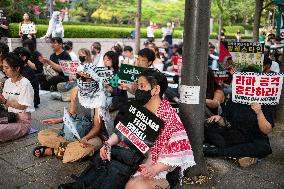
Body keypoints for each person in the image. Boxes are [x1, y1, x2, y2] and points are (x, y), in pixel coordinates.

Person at [58, 69, 195, 189]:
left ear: (156, 90)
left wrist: (154, 168)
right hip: (132, 157)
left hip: (157, 163)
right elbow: (121, 131)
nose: (138, 90)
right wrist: (108, 144)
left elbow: (176, 153)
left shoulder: (170, 118)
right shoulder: (138, 107)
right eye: (138, 86)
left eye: (142, 86)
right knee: (102, 161)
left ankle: (167, 184)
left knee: (134, 186)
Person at [33, 63, 109, 163]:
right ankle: (66, 148)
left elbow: (96, 127)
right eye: (79, 76)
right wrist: (59, 120)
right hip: (75, 130)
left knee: (82, 149)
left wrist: (86, 138)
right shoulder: (75, 91)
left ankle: (56, 150)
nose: (81, 80)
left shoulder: (100, 98)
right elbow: (71, 113)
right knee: (43, 134)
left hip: (92, 135)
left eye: (85, 78)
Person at [204, 67, 275, 168]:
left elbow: (267, 130)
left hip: (254, 139)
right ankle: (240, 154)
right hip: (234, 135)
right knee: (208, 129)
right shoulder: (235, 97)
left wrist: (259, 113)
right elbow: (225, 121)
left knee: (263, 147)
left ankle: (219, 152)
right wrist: (219, 119)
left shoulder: (266, 100)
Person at [0, 53, 34, 142]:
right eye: (3, 67)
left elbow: (22, 106)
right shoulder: (7, 81)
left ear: (17, 68)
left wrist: (4, 101)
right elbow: (4, 100)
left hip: (21, 122)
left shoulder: (25, 84)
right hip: (9, 117)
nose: (4, 70)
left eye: (7, 68)